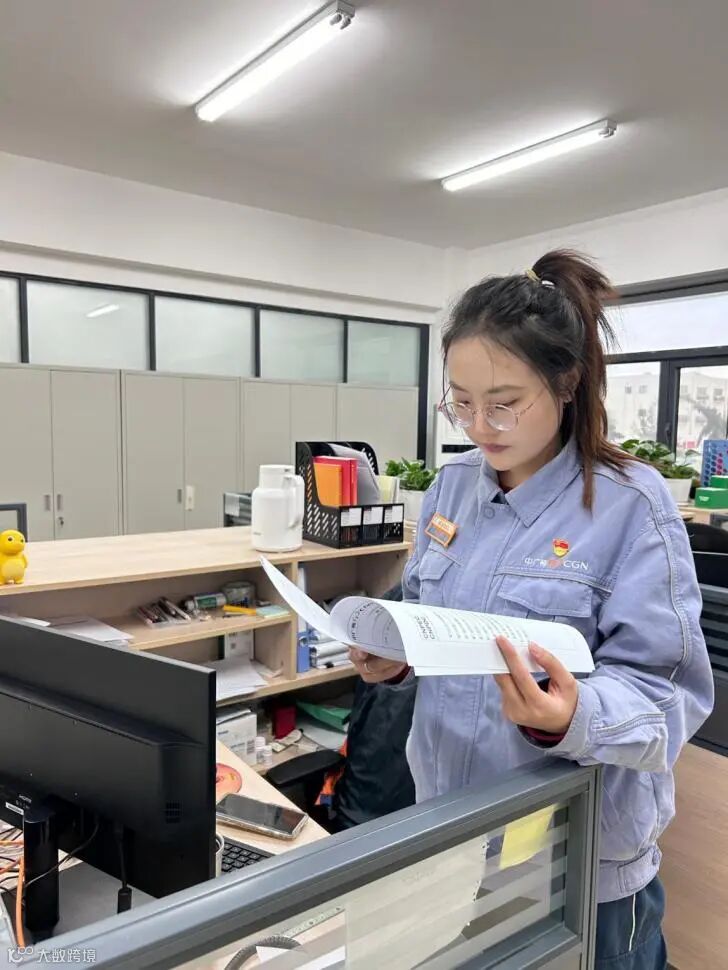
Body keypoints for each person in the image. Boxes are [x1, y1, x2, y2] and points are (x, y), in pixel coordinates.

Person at [349, 250, 714, 970]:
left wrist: (571, 716)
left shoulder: (631, 505)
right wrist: (398, 657)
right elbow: (430, 615)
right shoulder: (452, 488)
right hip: (453, 826)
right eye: (461, 402)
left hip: (577, 849)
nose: (479, 425)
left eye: (504, 402)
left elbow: (670, 698)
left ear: (567, 382)